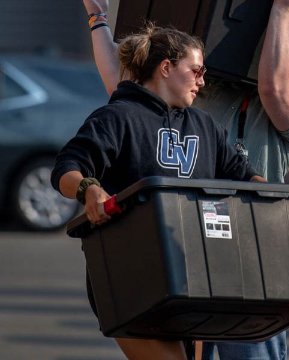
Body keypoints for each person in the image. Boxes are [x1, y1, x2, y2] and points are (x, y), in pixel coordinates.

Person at [80, 0, 289, 360]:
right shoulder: (207, 93)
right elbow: (123, 84)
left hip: (254, 263)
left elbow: (272, 87)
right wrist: (99, 20)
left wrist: (283, 9)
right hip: (197, 253)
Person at [51, 24, 266, 360]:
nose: (202, 81)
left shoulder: (205, 126)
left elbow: (244, 177)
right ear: (166, 68)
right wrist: (88, 188)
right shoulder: (117, 117)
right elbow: (67, 168)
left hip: (194, 274)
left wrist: (277, 199)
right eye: (196, 71)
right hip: (130, 275)